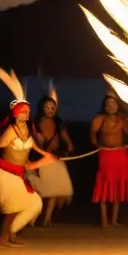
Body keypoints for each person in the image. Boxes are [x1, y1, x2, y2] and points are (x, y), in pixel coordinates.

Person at [0, 65, 56, 247]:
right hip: (5, 172)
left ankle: (11, 233)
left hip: (19, 173)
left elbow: (36, 149)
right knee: (14, 206)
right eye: (22, 112)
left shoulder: (28, 131)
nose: (26, 114)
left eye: (27, 112)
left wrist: (49, 157)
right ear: (15, 114)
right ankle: (3, 239)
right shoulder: (10, 131)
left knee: (34, 203)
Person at [28, 82, 75, 226]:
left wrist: (69, 150)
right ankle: (33, 218)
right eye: (47, 107)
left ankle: (47, 219)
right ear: (42, 108)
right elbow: (32, 142)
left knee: (56, 191)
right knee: (42, 191)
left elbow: (68, 142)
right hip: (41, 159)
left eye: (53, 108)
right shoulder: (34, 123)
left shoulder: (59, 123)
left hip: (56, 158)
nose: (50, 110)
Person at [91, 92, 128, 228]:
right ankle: (104, 220)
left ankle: (114, 220)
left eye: (113, 103)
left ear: (118, 105)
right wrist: (98, 145)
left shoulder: (122, 120)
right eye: (108, 104)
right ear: (104, 106)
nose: (110, 106)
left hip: (121, 154)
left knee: (118, 185)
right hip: (106, 153)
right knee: (104, 184)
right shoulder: (99, 119)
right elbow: (93, 134)